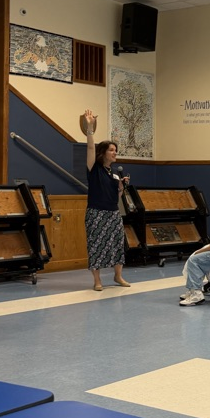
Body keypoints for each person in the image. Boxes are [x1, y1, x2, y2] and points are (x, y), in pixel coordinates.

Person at [83, 109, 129, 292]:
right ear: (103, 153)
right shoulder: (94, 168)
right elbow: (90, 148)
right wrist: (89, 128)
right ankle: (97, 280)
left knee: (118, 243)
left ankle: (118, 275)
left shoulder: (115, 174)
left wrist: (120, 189)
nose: (114, 153)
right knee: (96, 245)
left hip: (113, 213)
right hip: (96, 213)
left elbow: (116, 198)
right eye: (111, 150)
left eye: (115, 150)